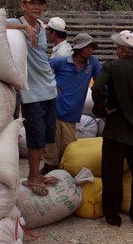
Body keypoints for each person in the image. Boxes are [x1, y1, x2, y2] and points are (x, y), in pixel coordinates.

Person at [91, 30, 133, 227]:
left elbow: (96, 89)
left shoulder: (111, 67)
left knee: (111, 175)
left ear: (121, 50)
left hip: (114, 131)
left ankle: (112, 216)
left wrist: (103, 109)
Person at [5, 0, 58, 195]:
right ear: (22, 6)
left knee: (45, 136)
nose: (37, 7)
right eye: (32, 3)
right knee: (35, 136)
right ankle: (32, 176)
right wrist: (23, 26)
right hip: (32, 93)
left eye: (40, 3)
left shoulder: (42, 28)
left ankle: (38, 172)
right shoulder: (17, 23)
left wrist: (31, 27)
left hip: (49, 88)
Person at [41, 33, 101, 175]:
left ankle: (64, 170)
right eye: (87, 48)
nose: (90, 51)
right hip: (55, 108)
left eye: (92, 47)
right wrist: (52, 86)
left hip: (72, 112)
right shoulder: (61, 62)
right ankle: (49, 167)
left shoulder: (92, 63)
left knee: (69, 146)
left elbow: (100, 81)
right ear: (79, 49)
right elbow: (43, 71)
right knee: (52, 142)